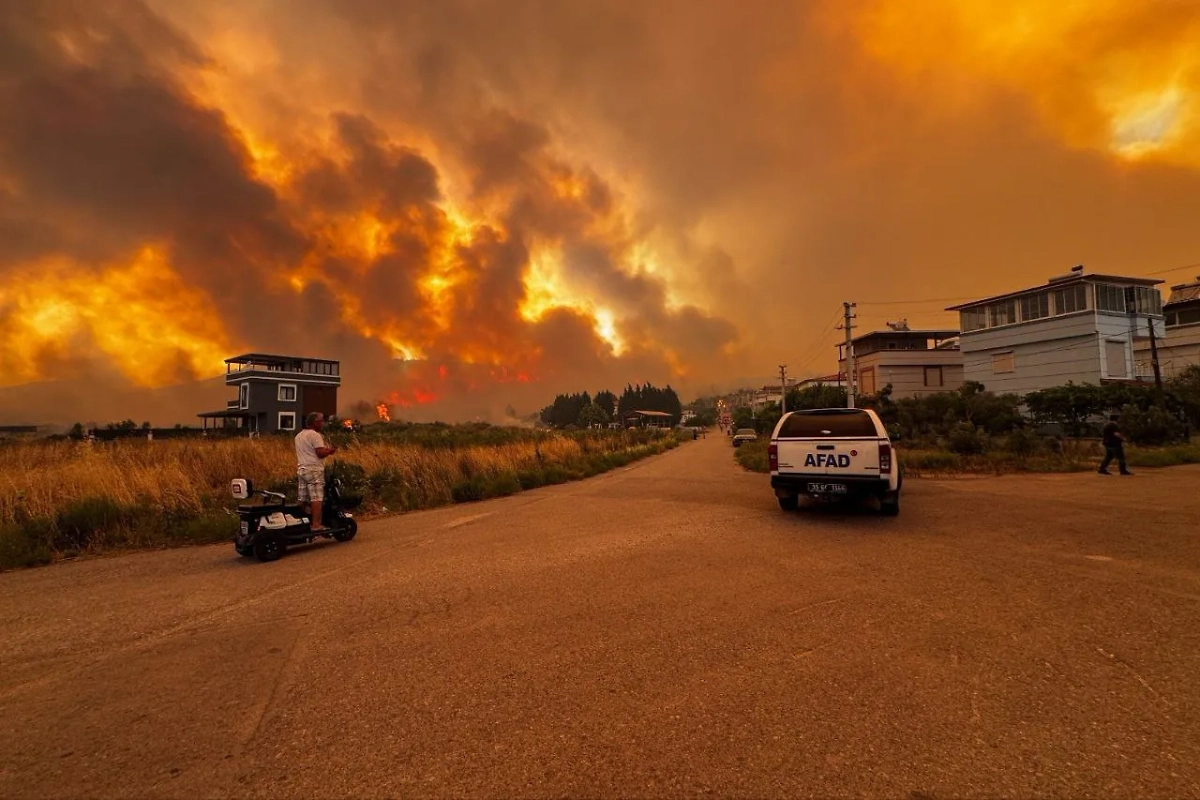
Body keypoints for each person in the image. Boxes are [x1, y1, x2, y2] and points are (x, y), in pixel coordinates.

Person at [295, 411, 338, 530]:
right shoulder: (315, 435)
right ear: (315, 422)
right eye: (321, 421)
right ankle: (316, 524)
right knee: (317, 498)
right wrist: (329, 451)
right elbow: (320, 453)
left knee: (302, 498)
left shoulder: (299, 435)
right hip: (314, 470)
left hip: (302, 469)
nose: (323, 423)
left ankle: (299, 521)